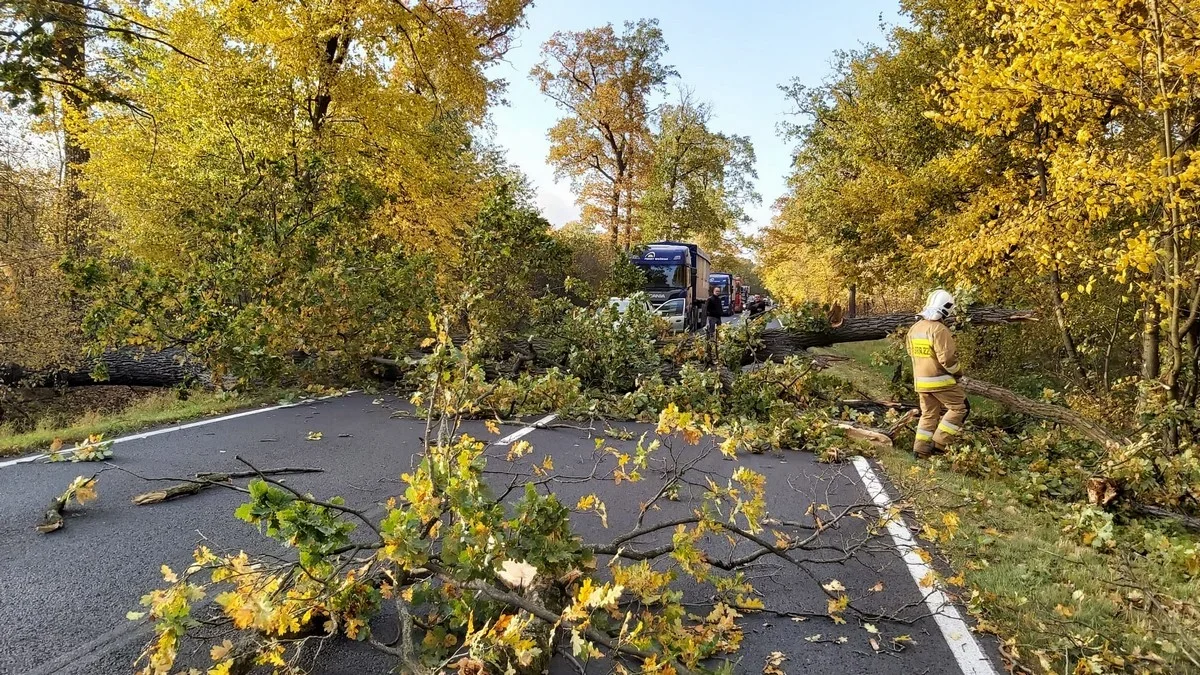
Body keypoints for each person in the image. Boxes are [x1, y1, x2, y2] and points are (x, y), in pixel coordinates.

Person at [907, 289, 968, 459]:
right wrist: (958, 373)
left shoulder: (915, 328)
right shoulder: (939, 330)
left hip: (921, 381)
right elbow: (948, 359)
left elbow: (911, 352)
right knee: (960, 408)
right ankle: (939, 443)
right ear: (946, 308)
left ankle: (920, 450)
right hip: (940, 381)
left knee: (929, 414)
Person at [704, 286, 723, 356]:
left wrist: (721, 313)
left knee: (720, 329)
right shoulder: (710, 299)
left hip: (718, 317)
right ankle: (711, 342)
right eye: (716, 291)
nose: (718, 292)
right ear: (713, 291)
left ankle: (718, 340)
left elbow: (720, 307)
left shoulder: (719, 299)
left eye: (718, 291)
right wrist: (709, 315)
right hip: (712, 317)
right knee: (711, 330)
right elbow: (707, 308)